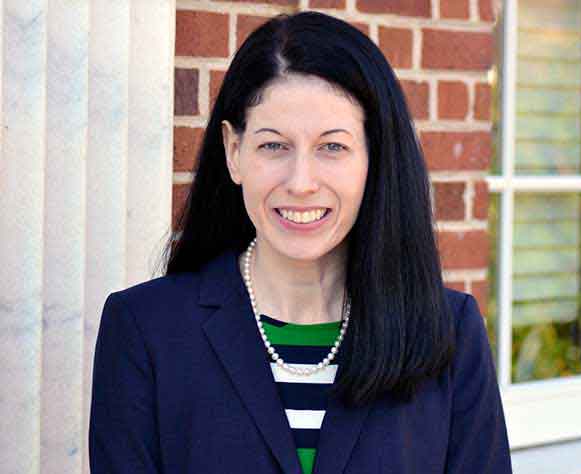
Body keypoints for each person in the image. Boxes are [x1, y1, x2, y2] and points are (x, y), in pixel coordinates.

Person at [88, 10, 512, 474]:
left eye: (333, 147)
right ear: (234, 152)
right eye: (274, 146)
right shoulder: (145, 329)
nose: (301, 182)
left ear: (374, 157)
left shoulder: (450, 334)